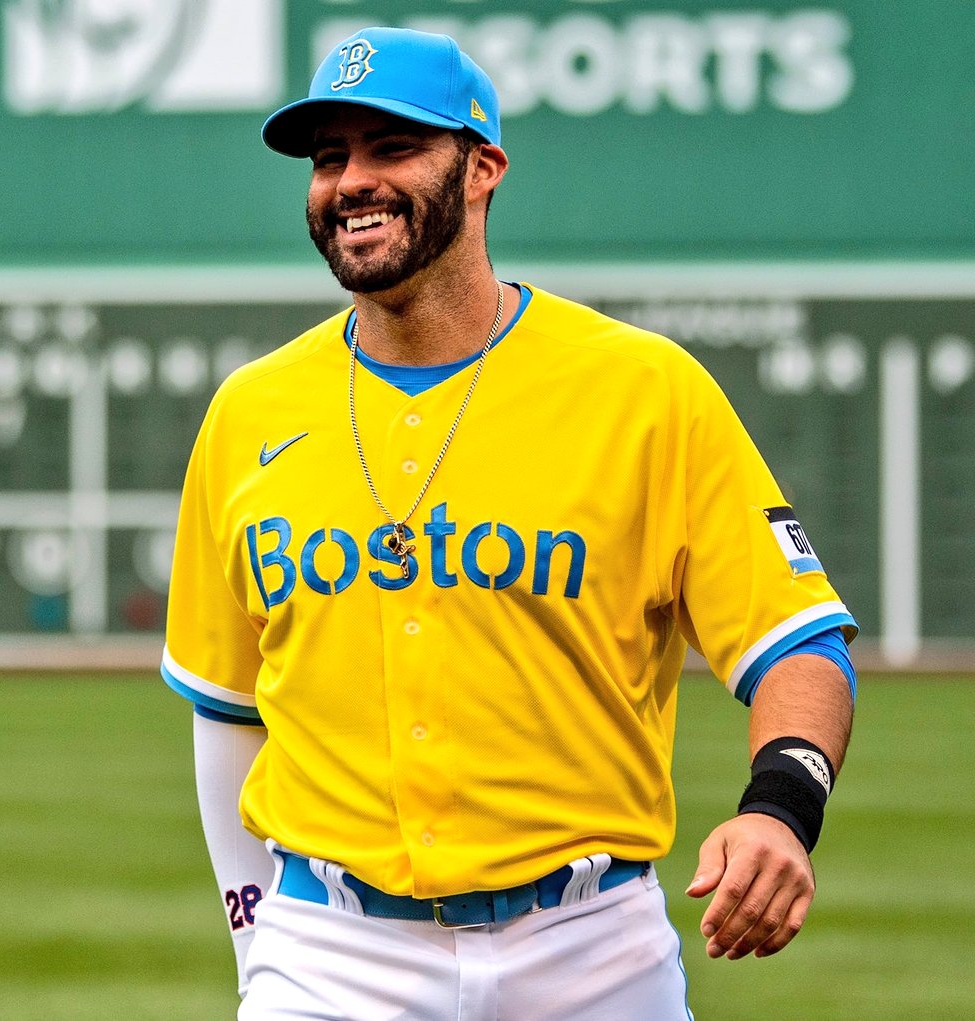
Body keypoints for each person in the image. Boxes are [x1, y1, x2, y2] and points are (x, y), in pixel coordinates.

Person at [161, 26, 858, 1020]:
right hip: (330, 948)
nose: (350, 180)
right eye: (328, 159)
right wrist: (253, 937)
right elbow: (226, 707)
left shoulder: (641, 391)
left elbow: (800, 642)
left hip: (590, 945)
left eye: (391, 148)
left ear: (481, 167)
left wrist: (780, 811)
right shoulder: (250, 412)